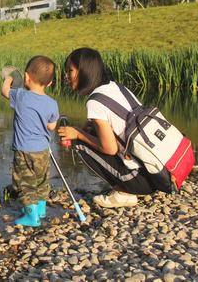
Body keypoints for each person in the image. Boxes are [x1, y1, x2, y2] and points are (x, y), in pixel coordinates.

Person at [57, 47, 170, 208]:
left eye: (70, 71)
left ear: (84, 71)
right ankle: (130, 184)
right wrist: (85, 129)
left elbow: (109, 148)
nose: (66, 76)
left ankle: (124, 192)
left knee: (81, 144)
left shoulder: (94, 102)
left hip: (142, 181)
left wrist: (78, 134)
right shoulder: (116, 87)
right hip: (158, 172)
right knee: (88, 131)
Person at [1, 55, 59, 227]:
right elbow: (51, 126)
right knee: (42, 180)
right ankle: (40, 210)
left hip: (23, 151)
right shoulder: (52, 103)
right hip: (42, 151)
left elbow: (4, 92)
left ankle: (32, 217)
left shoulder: (20, 96)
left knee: (25, 184)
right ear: (49, 83)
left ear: (26, 77)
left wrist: (8, 79)